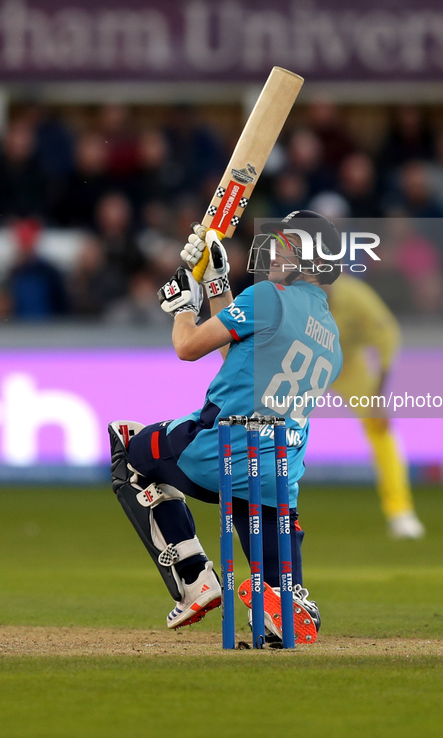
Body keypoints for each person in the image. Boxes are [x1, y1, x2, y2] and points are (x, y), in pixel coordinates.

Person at [108, 210, 343, 643]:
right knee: (278, 594)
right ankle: (281, 605)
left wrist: (183, 307)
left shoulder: (268, 296)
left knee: (129, 448)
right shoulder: (330, 334)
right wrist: (216, 284)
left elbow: (188, 347)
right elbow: (239, 360)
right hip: (276, 479)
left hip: (217, 453)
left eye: (285, 245)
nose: (273, 251)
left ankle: (194, 579)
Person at [328, 272, 425, 539]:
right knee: (269, 429)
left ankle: (400, 512)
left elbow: (387, 338)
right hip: (300, 363)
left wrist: (378, 399)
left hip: (348, 367)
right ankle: (255, 513)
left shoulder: (355, 296)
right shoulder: (290, 293)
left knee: (381, 429)